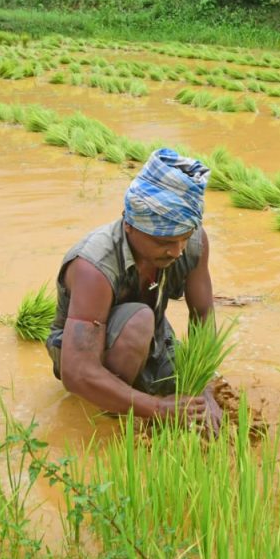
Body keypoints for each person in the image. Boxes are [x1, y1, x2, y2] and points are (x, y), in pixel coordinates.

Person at [45, 148, 221, 430]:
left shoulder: (192, 245)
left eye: (184, 238)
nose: (177, 251)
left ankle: (138, 393)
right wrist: (158, 408)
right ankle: (112, 412)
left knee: (186, 391)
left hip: (153, 337)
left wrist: (205, 385)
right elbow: (77, 372)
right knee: (140, 319)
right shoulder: (94, 265)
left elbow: (203, 315)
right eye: (164, 241)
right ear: (129, 225)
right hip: (87, 352)